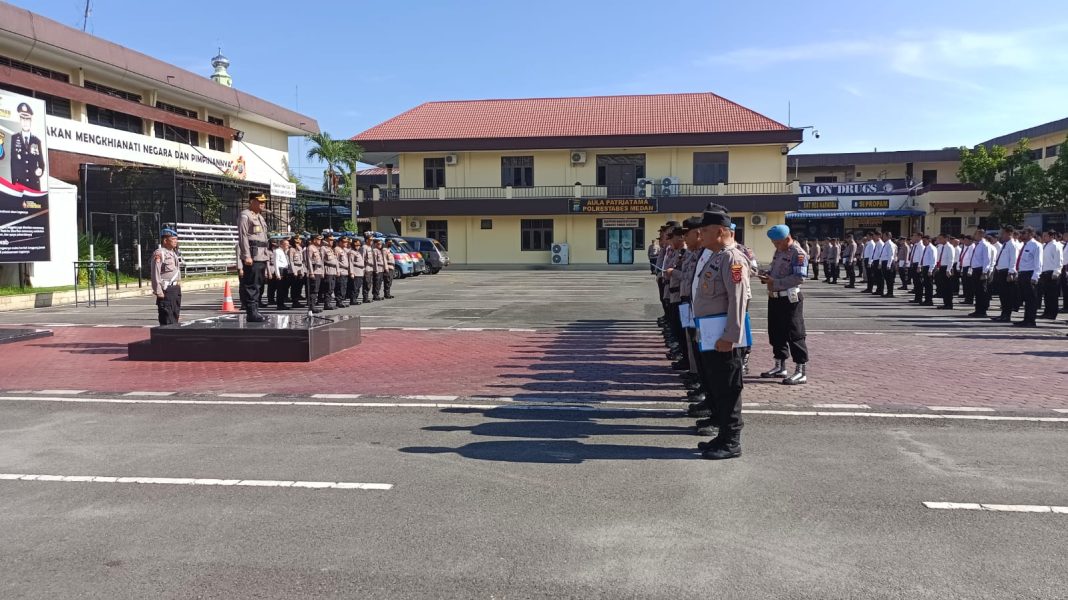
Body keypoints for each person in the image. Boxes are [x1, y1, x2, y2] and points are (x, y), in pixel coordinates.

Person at [690, 207, 750, 460]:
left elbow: (738, 300)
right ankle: (722, 435)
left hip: (724, 339)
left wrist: (731, 336)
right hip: (710, 335)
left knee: (728, 388)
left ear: (721, 231)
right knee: (717, 386)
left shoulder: (732, 259)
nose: (700, 235)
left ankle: (731, 441)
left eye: (704, 231)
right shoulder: (715, 257)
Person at [759, 224, 809, 385]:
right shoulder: (779, 251)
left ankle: (800, 370)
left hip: (790, 298)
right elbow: (775, 270)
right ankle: (780, 366)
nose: (775, 246)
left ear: (787, 239)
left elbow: (799, 277)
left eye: (777, 242)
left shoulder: (798, 253)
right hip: (775, 297)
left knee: (795, 333)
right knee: (776, 331)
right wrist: (766, 275)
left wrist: (776, 282)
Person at [237, 192, 270, 322]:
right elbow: (243, 236)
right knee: (252, 285)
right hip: (253, 255)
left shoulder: (260, 217)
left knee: (259, 284)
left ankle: (256, 309)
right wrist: (246, 256)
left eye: (263, 202)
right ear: (251, 202)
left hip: (262, 255)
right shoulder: (245, 215)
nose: (263, 204)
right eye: (260, 201)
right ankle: (251, 312)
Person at [11, 102, 46, 191]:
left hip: (33, 184)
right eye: (22, 119)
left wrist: (40, 170)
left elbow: (41, 162)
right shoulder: (14, 138)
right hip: (20, 184)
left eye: (27, 119)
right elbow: (13, 163)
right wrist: (14, 184)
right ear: (20, 120)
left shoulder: (36, 141)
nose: (25, 122)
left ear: (31, 121)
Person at [150, 228, 182, 326]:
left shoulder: (173, 253)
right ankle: (166, 339)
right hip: (166, 290)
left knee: (175, 315)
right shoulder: (159, 253)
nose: (176, 241)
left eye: (176, 239)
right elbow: (155, 273)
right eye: (173, 239)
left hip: (175, 289)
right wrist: (159, 291)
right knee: (167, 317)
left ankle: (173, 338)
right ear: (165, 240)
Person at [1014, 226, 1043, 327]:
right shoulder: (1025, 245)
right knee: (1026, 299)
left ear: (1030, 234)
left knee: (1031, 299)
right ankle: (1026, 319)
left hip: (1030, 274)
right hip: (1023, 274)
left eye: (1024, 233)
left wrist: (1035, 277)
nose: (1022, 235)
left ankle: (1031, 320)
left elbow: (1038, 263)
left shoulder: (1036, 245)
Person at [992, 226, 1021, 323]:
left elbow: (1014, 259)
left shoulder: (1012, 244)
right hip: (1001, 271)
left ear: (1009, 233)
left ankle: (1007, 315)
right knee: (1003, 295)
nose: (1001, 235)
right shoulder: (1005, 244)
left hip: (1007, 273)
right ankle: (1003, 314)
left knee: (1007, 295)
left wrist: (1011, 272)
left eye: (1003, 233)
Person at [967, 229, 995, 318]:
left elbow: (987, 259)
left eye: (975, 234)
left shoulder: (985, 245)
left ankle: (982, 311)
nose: (974, 236)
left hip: (981, 270)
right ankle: (978, 309)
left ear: (981, 235)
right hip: (976, 270)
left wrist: (984, 272)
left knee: (982, 291)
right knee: (977, 291)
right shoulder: (978, 245)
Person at [1039, 231, 1063, 320]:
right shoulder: (1045, 245)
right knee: (1047, 295)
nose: (1043, 237)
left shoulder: (1055, 246)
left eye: (1045, 236)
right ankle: (1047, 312)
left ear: (1051, 236)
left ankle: (1052, 313)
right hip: (1045, 272)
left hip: (1052, 273)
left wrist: (1056, 272)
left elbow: (1058, 260)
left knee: (1053, 295)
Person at [305, 233, 324, 314]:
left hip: (318, 271)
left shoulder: (316, 248)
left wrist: (322, 271)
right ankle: (311, 307)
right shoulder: (310, 248)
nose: (320, 241)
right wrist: (311, 272)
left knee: (316, 290)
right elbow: (309, 260)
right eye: (318, 239)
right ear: (314, 240)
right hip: (314, 271)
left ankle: (313, 306)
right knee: (313, 290)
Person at [934, 234, 954, 309]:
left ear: (946, 239)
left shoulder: (949, 247)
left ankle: (949, 304)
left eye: (941, 238)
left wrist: (948, 270)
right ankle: (945, 303)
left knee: (948, 287)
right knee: (943, 287)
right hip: (941, 268)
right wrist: (937, 266)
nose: (939, 240)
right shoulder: (941, 247)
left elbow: (951, 259)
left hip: (947, 268)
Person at [271, 238, 292, 310]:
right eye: (286, 244)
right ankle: (280, 304)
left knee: (284, 288)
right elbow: (276, 263)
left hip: (285, 270)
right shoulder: (277, 251)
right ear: (282, 244)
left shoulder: (283, 251)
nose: (288, 246)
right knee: (280, 289)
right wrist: (277, 274)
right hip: (280, 270)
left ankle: (282, 303)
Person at [320, 232, 338, 310]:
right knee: (328, 288)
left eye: (332, 240)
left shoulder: (330, 249)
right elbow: (321, 261)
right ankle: (326, 304)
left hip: (333, 270)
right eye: (330, 240)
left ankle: (329, 303)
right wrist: (322, 272)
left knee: (331, 288)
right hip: (328, 270)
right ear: (326, 240)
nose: (332, 241)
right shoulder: (323, 248)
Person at [287, 235, 306, 309]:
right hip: (294, 269)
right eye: (296, 242)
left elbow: (302, 261)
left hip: (300, 269)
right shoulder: (291, 249)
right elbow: (291, 261)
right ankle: (294, 301)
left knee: (299, 286)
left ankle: (297, 300)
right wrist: (294, 271)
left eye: (299, 242)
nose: (298, 243)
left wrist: (302, 270)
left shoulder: (300, 249)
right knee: (294, 286)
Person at [348, 237, 365, 305]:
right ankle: (353, 300)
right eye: (356, 245)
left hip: (360, 272)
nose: (358, 247)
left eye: (359, 245)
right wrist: (351, 272)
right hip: (355, 272)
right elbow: (350, 263)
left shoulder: (357, 252)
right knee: (354, 287)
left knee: (358, 287)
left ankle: (355, 299)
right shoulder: (351, 252)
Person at [334, 236, 351, 308]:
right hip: (341, 270)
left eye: (347, 242)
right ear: (340, 242)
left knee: (344, 287)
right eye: (344, 242)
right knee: (340, 287)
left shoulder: (344, 249)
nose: (346, 243)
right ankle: (339, 301)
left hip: (345, 271)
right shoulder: (337, 249)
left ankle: (341, 300)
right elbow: (336, 261)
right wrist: (337, 271)